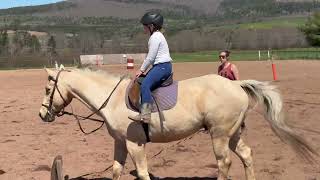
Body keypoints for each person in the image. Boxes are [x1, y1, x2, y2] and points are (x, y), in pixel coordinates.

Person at [128, 12, 173, 123]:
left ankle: (145, 115)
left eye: (145, 25)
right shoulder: (158, 36)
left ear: (151, 26)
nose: (143, 28)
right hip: (161, 66)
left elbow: (150, 57)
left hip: (162, 67)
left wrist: (141, 70)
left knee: (145, 85)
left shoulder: (155, 37)